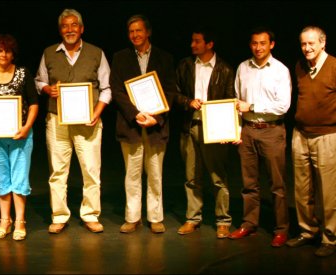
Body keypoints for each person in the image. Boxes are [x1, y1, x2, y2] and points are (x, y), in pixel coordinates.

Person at [35, 8, 111, 234]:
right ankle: (59, 215)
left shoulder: (96, 53)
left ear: (82, 28)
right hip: (57, 119)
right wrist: (48, 89)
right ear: (60, 30)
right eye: (65, 26)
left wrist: (97, 112)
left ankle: (90, 214)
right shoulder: (49, 53)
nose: (70, 30)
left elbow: (106, 88)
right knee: (58, 171)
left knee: (91, 170)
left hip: (88, 120)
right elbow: (39, 81)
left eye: (74, 25)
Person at [110, 14, 177, 234]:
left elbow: (170, 91)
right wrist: (135, 114)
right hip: (131, 124)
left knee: (155, 174)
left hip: (156, 126)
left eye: (139, 30)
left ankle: (155, 217)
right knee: (132, 174)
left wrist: (155, 118)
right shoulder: (120, 58)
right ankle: (133, 217)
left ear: (148, 32)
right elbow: (117, 91)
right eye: (131, 32)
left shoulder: (164, 58)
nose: (135, 35)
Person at [228, 26, 291, 248]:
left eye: (263, 43)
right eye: (254, 43)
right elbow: (236, 102)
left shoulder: (280, 70)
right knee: (249, 183)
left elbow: (283, 106)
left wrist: (252, 106)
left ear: (271, 44)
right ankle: (249, 223)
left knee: (277, 184)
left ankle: (282, 229)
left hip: (272, 131)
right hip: (247, 130)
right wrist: (236, 130)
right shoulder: (243, 68)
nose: (258, 47)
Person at [173, 27, 235, 238]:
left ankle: (223, 220)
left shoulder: (224, 69)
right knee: (192, 176)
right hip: (190, 125)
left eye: (197, 41)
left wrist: (228, 130)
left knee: (218, 176)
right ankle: (193, 218)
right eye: (192, 40)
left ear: (209, 44)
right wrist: (187, 102)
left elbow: (230, 99)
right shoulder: (186, 65)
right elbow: (174, 93)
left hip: (215, 127)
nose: (192, 45)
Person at [0, 34, 39, 241]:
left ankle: (20, 221)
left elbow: (33, 103)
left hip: (20, 135)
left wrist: (27, 126)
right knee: (1, 178)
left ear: (13, 54)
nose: (3, 54)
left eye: (7, 50)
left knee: (20, 178)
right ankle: (5, 220)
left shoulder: (23, 73)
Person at [286, 26, 335, 257]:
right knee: (302, 189)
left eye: (312, 43)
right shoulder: (300, 66)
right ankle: (307, 231)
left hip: (327, 136)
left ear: (323, 43)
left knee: (328, 191)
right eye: (304, 44)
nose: (307, 48)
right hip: (300, 134)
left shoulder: (334, 66)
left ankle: (330, 238)